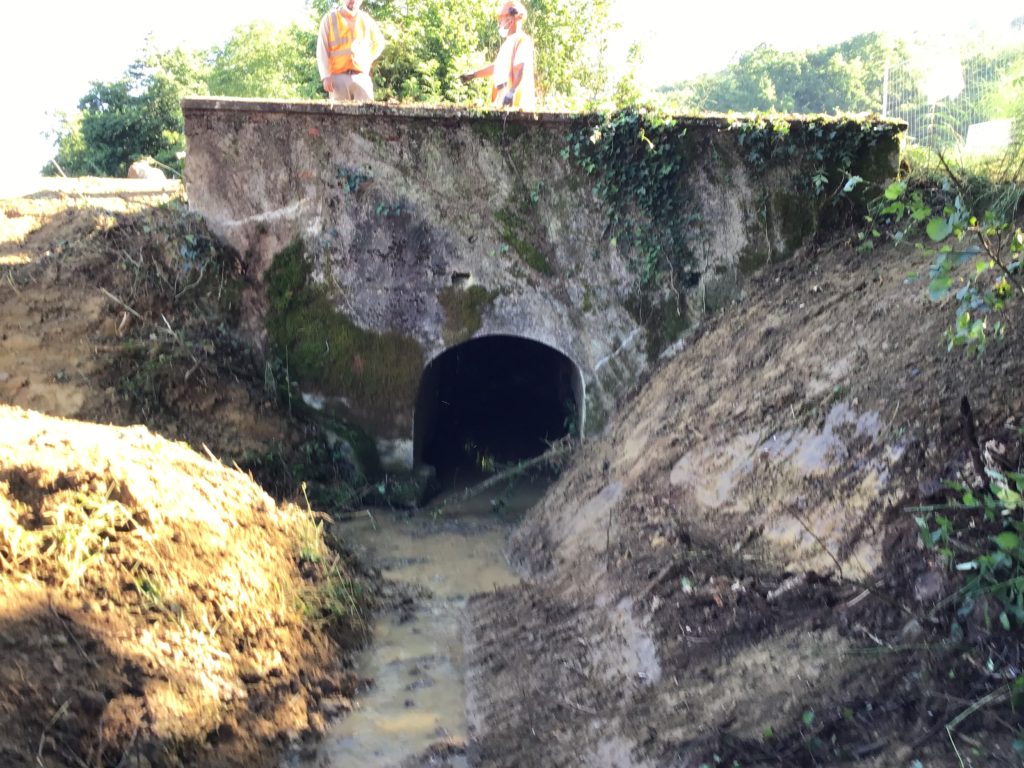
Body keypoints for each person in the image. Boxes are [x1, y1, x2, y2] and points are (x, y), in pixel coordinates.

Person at [460, 1, 536, 111]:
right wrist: (474, 75)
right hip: (503, 95)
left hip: (513, 100)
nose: (500, 21)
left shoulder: (521, 40)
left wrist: (511, 92)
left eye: (503, 17)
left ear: (513, 17)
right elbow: (498, 67)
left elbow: (520, 68)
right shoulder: (509, 42)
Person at [316, 0, 386, 102]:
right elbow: (322, 49)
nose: (353, 1)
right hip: (338, 79)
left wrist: (368, 59)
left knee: (366, 116)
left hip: (361, 78)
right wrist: (325, 76)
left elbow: (380, 43)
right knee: (339, 116)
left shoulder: (366, 20)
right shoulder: (329, 19)